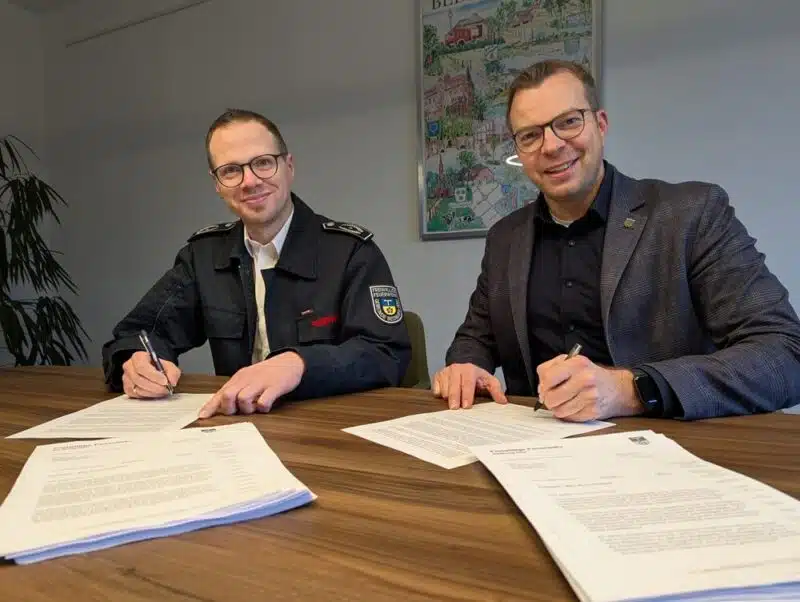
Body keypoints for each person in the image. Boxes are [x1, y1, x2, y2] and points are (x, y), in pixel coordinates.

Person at [433, 59, 800, 421]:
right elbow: (475, 337)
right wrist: (466, 367)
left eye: (568, 122)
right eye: (530, 135)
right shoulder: (504, 238)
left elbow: (784, 354)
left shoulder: (692, 214)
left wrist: (632, 390)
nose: (551, 145)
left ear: (601, 124)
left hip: (665, 452)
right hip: (532, 454)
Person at [102, 108, 411, 418]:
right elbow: (140, 332)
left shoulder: (351, 252)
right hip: (234, 432)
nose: (249, 181)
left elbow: (386, 354)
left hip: (329, 435)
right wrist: (137, 360)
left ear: (289, 167)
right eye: (231, 170)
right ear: (217, 183)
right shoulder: (204, 256)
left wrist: (298, 365)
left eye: (263, 163)